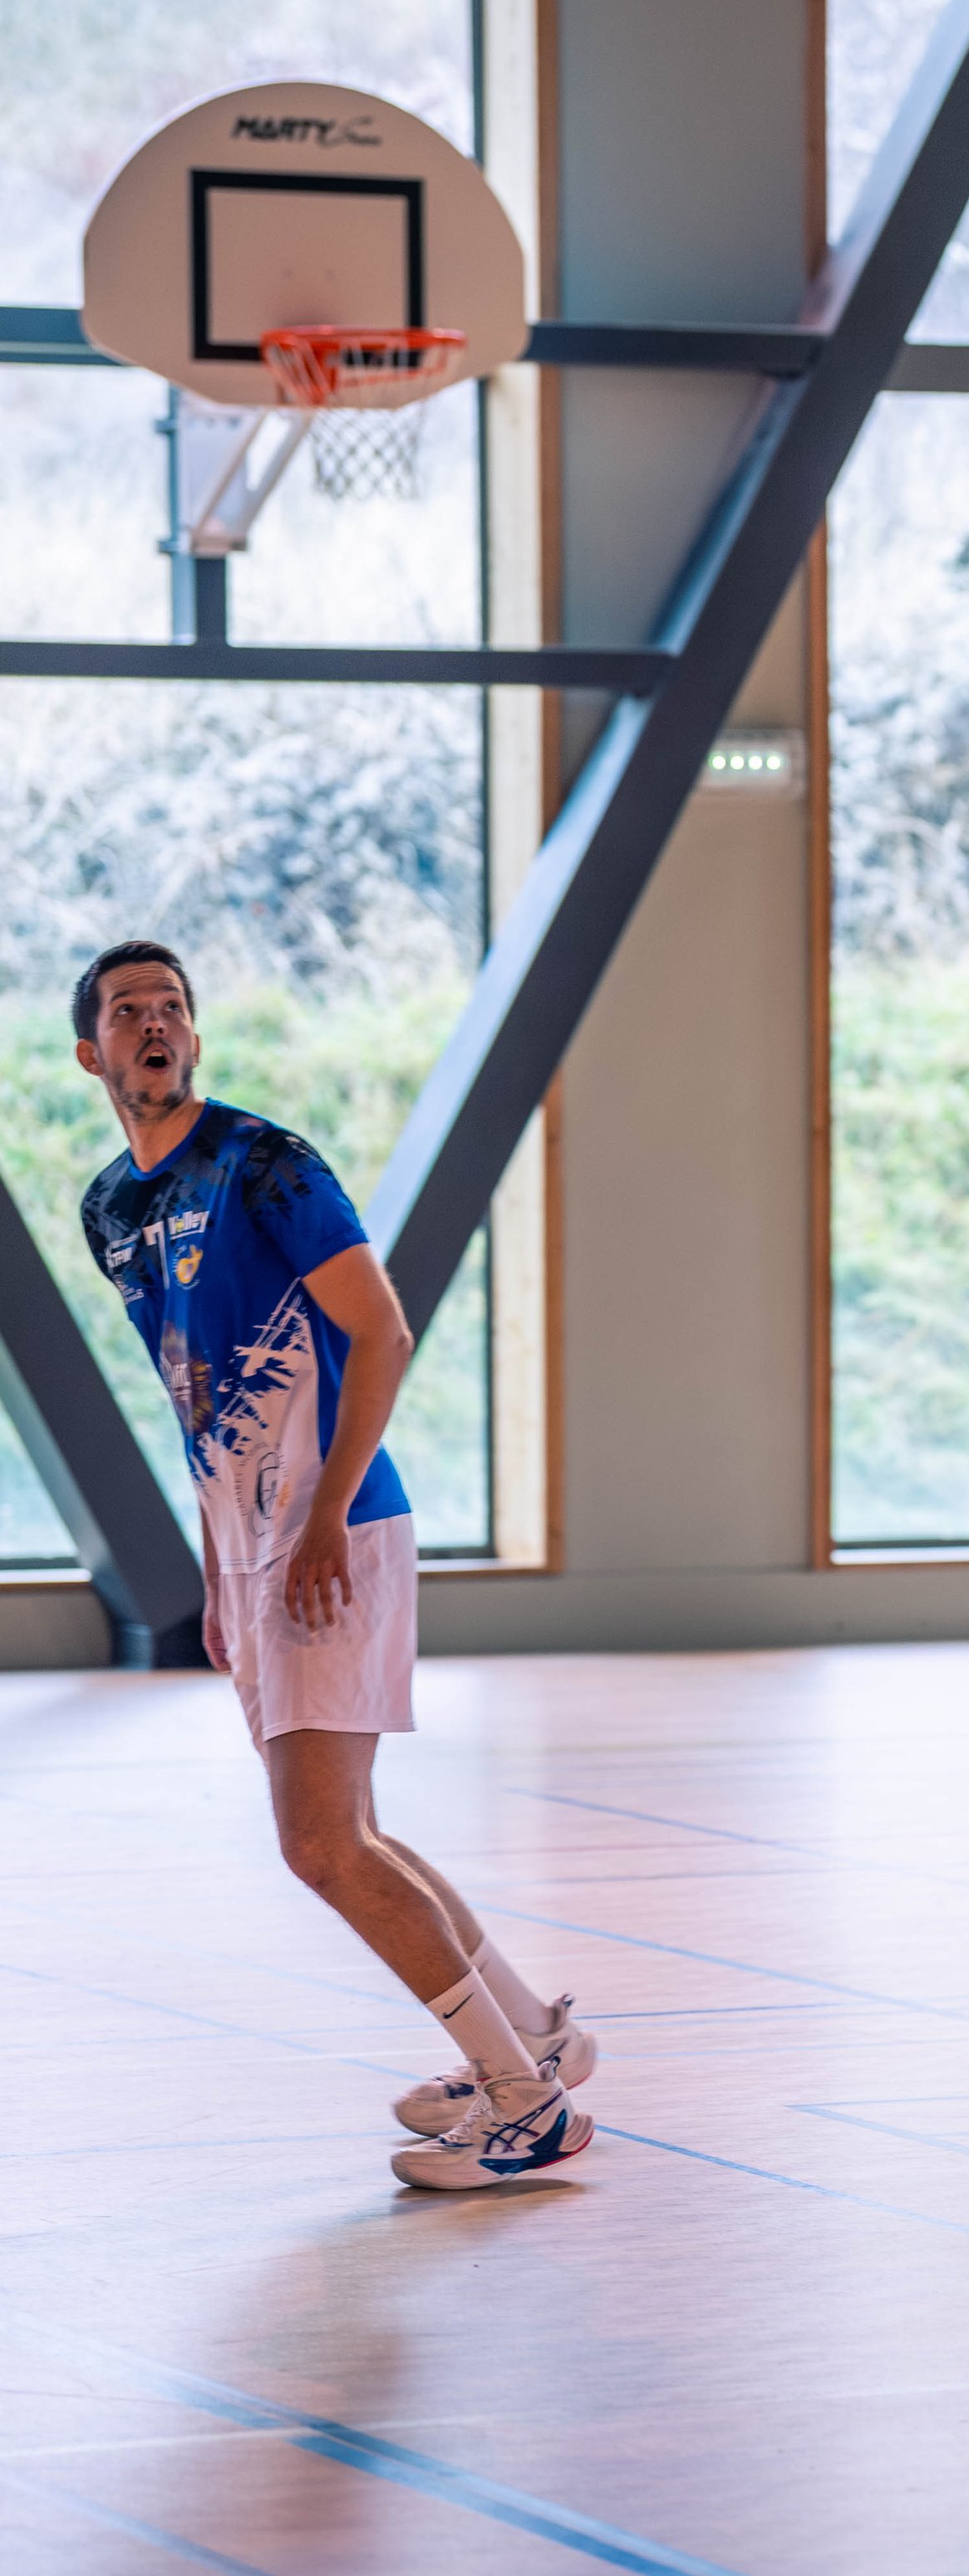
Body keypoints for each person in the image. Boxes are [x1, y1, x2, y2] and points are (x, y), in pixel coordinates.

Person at [72, 939, 596, 2193]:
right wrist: (221, 1560)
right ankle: (531, 2034)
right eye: (128, 1013)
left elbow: (382, 1328)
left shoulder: (266, 1162)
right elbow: (187, 1387)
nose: (156, 1025)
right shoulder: (113, 1210)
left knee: (320, 1844)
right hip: (255, 1552)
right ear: (91, 1054)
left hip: (335, 1535)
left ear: (194, 1038)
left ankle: (525, 2104)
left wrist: (318, 1520)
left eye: (174, 1008)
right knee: (349, 1831)